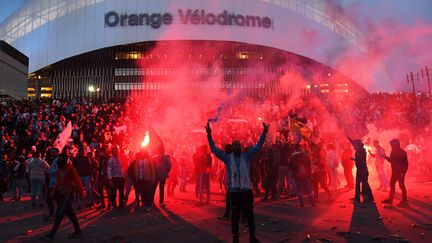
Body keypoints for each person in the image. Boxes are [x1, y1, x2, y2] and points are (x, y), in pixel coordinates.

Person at [206, 121, 269, 243]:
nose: (237, 146)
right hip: (234, 193)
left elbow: (258, 146)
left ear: (241, 147)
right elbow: (214, 149)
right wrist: (209, 136)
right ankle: (235, 238)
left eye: (238, 145)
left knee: (250, 216)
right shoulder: (227, 158)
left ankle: (252, 237)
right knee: (235, 217)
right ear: (232, 148)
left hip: (246, 192)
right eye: (234, 145)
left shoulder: (247, 156)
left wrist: (264, 133)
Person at [41, 154, 84, 241]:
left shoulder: (70, 168)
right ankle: (78, 231)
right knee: (70, 214)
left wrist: (81, 193)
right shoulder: (59, 169)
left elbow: (77, 180)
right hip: (61, 193)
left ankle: (51, 235)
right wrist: (53, 192)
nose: (60, 164)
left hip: (68, 193)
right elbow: (58, 182)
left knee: (60, 214)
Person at [382, 139, 409, 207]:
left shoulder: (402, 152)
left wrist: (403, 172)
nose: (391, 146)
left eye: (392, 144)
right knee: (392, 184)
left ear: (396, 144)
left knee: (401, 185)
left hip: (400, 172)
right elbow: (392, 161)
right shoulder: (393, 151)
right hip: (395, 172)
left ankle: (404, 201)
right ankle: (390, 200)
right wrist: (386, 157)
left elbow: (405, 164)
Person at [348, 138, 374, 203]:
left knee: (364, 185)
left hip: (362, 170)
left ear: (358, 145)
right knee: (359, 184)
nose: (354, 147)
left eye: (355, 145)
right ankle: (358, 198)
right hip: (361, 169)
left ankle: (368, 198)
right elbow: (360, 160)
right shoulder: (361, 150)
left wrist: (354, 159)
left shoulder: (360, 151)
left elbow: (360, 161)